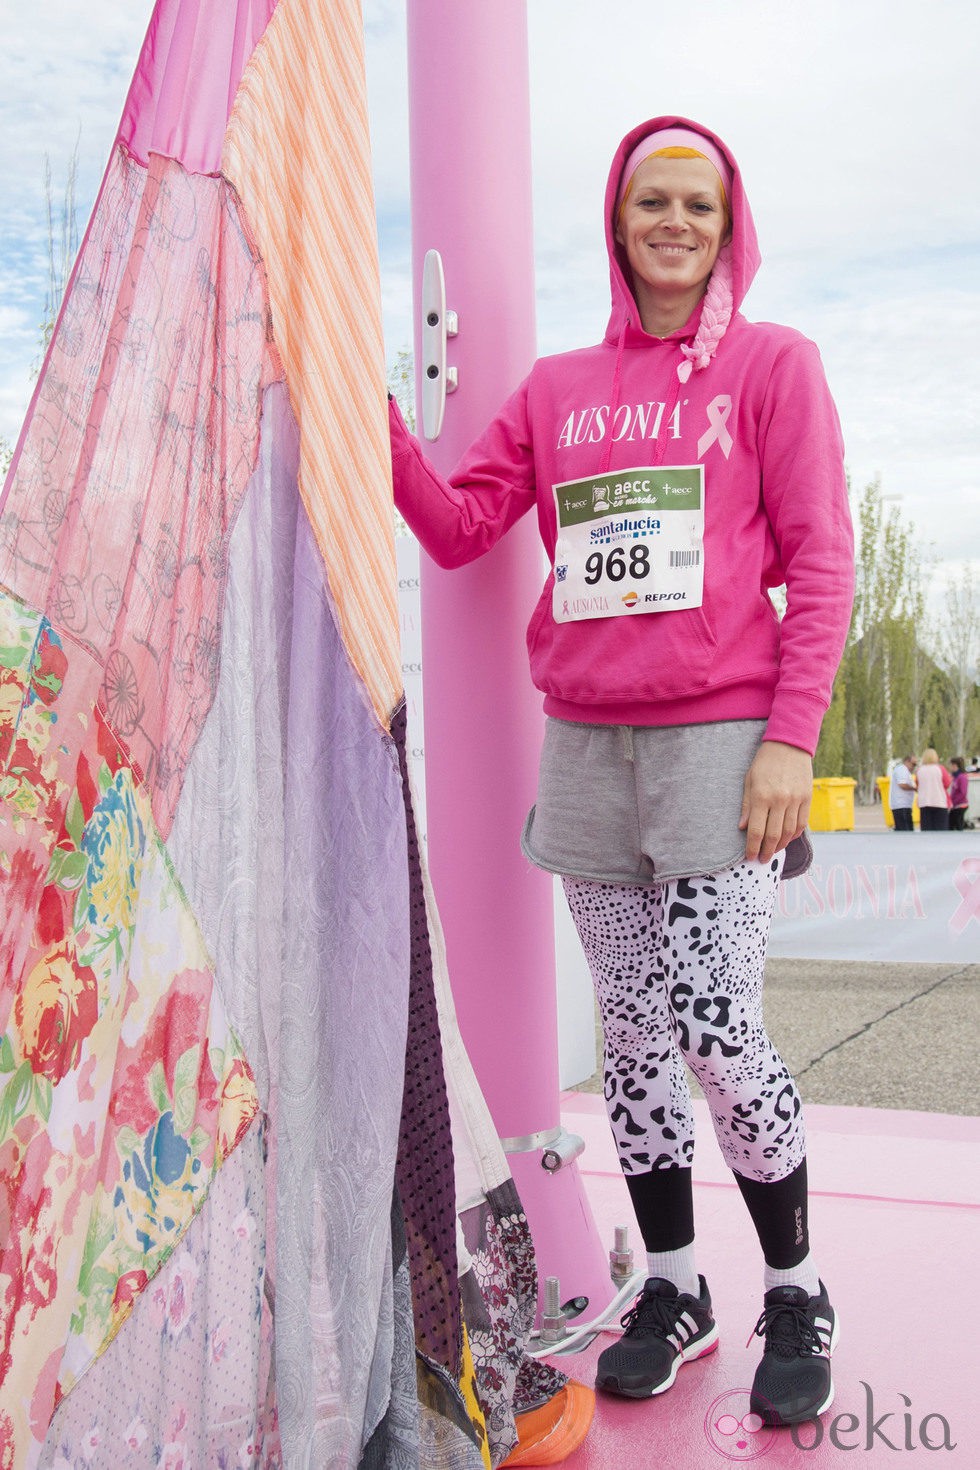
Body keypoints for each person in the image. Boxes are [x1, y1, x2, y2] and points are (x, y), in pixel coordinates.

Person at [388, 116, 853, 1426]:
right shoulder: (555, 389)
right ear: (618, 219)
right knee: (637, 1037)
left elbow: (822, 565)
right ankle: (676, 1283)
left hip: (723, 745)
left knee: (716, 1026)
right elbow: (461, 522)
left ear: (727, 225)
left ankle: (799, 1284)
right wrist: (371, 420)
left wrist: (791, 743)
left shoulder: (774, 366)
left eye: (698, 205)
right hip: (587, 749)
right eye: (653, 201)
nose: (674, 223)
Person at [916, 748, 951, 830]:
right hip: (939, 802)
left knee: (927, 830)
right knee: (941, 830)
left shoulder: (919, 770)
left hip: (924, 803)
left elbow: (918, 785)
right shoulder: (941, 769)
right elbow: (947, 783)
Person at [888, 754, 918, 831]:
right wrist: (914, 788)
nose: (914, 767)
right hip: (901, 806)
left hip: (904, 805)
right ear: (907, 761)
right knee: (905, 832)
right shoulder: (902, 769)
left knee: (905, 830)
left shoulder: (904, 770)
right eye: (913, 764)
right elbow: (902, 785)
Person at [949, 758, 970, 830]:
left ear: (955, 765)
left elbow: (963, 792)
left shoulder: (962, 777)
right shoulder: (956, 777)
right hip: (955, 805)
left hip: (960, 805)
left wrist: (953, 802)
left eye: (951, 765)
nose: (950, 767)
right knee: (951, 824)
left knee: (957, 825)